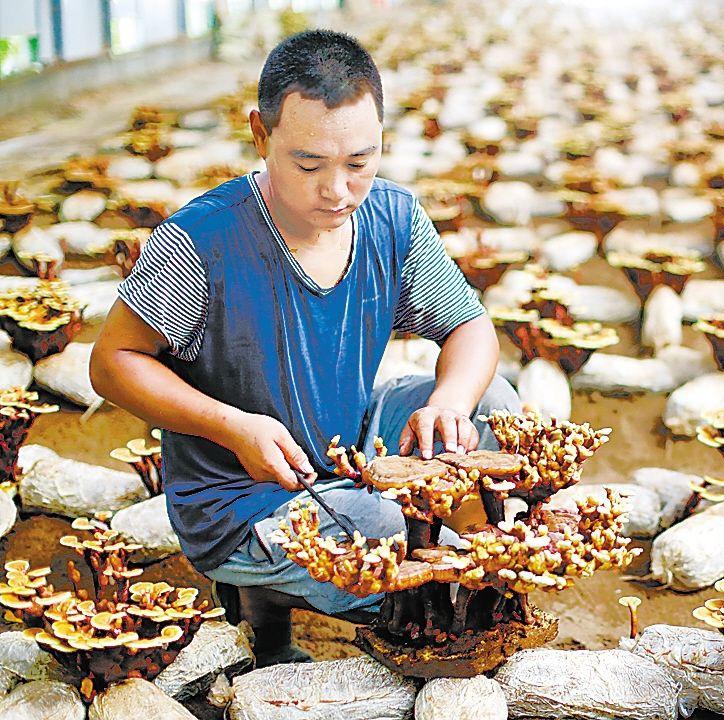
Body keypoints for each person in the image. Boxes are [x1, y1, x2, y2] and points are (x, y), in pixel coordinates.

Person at [89, 28, 520, 664]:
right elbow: (111, 365)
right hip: (239, 495)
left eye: (360, 163)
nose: (338, 192)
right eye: (309, 165)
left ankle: (457, 572)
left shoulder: (391, 219)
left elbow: (469, 328)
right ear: (261, 135)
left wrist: (449, 404)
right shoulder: (201, 241)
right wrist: (232, 427)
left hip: (346, 441)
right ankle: (269, 590)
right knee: (387, 546)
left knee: (495, 405)